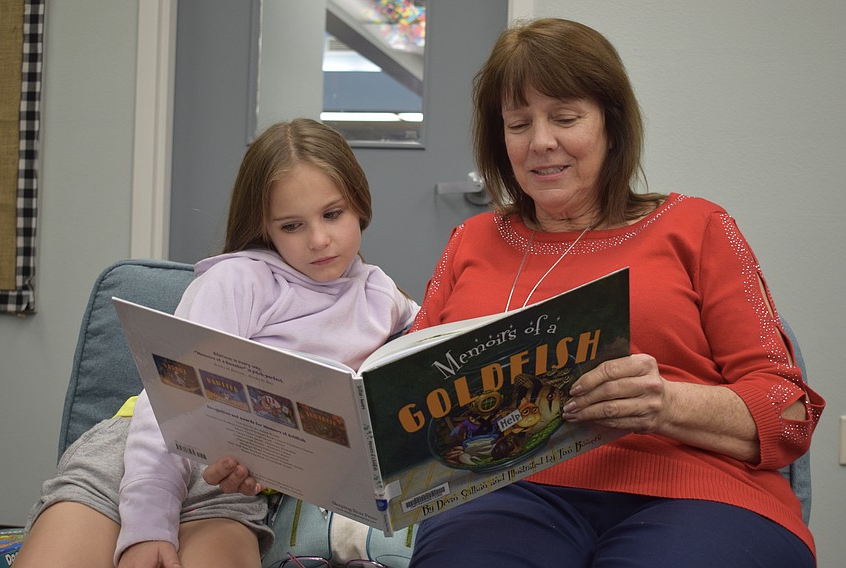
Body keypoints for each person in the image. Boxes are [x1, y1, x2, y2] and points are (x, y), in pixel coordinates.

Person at [205, 18, 825, 568]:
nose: (541, 142)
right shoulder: (473, 239)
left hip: (697, 492)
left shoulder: (698, 225)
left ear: (611, 123)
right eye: (519, 123)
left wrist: (667, 404)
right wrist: (279, 454)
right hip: (506, 496)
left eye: (565, 117)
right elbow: (400, 409)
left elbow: (790, 413)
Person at [14, 118, 418, 568]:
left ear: (360, 204)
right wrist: (147, 523)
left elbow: (437, 339)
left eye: (332, 214)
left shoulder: (383, 296)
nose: (319, 239)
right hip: (139, 455)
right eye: (291, 226)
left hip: (230, 483)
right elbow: (165, 403)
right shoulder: (239, 280)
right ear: (265, 227)